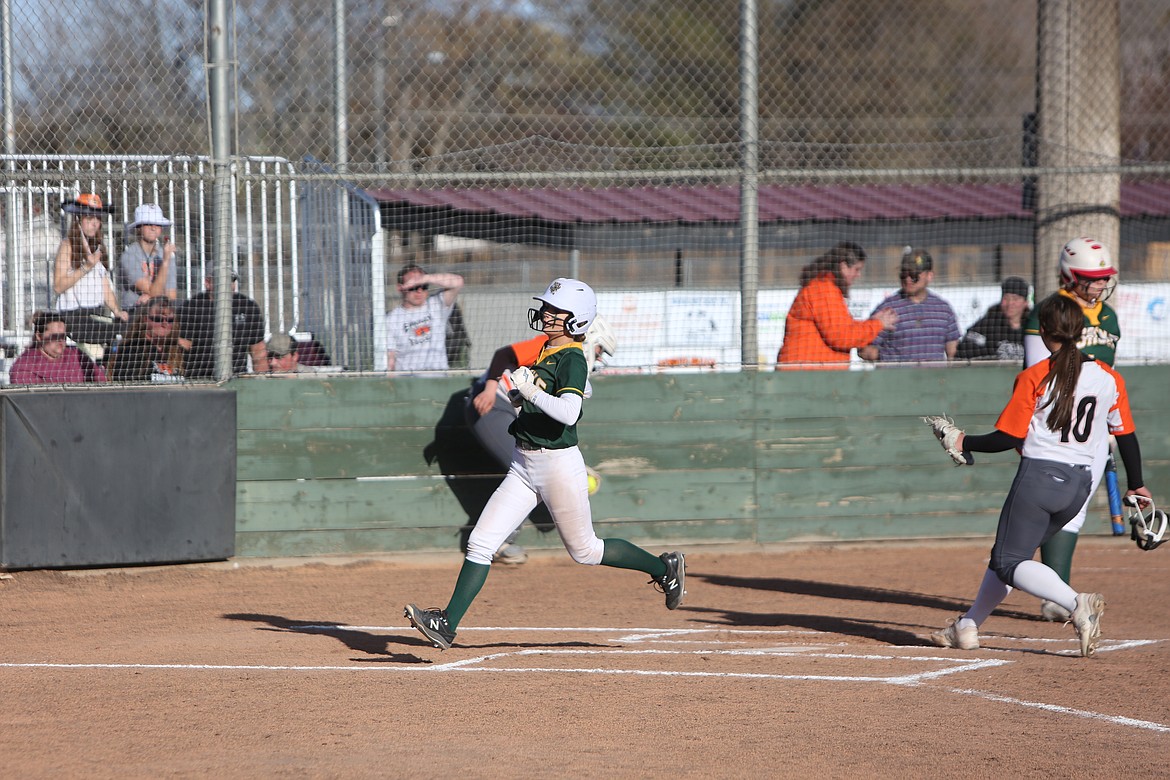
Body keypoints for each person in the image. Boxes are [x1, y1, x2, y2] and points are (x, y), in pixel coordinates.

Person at [404, 278, 685, 650]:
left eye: (556, 311)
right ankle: (446, 624)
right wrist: (522, 398)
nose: (547, 314)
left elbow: (569, 413)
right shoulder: (547, 351)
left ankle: (664, 568)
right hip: (524, 462)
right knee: (481, 542)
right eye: (548, 308)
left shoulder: (572, 357)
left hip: (556, 465)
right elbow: (538, 404)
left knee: (585, 551)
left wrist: (532, 391)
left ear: (577, 320)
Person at [927, 294, 1151, 658]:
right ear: (1081, 332)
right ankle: (967, 626)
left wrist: (963, 440)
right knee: (1010, 556)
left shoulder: (1035, 376)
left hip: (1040, 479)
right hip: (1080, 484)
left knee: (1008, 561)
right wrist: (1137, 483)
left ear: (1044, 333)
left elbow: (1008, 439)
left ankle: (1077, 602)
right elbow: (1125, 435)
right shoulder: (1110, 378)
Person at [1022, 237, 1123, 623]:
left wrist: (1111, 425)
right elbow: (1037, 373)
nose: (1099, 285)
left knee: (1075, 509)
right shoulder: (1050, 312)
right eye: (1090, 278)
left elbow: (1112, 375)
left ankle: (1057, 594)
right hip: (1056, 423)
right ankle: (1052, 588)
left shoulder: (1109, 315)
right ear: (1069, 276)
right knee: (1049, 510)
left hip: (1096, 423)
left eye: (1103, 278)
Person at [465, 314, 618, 564]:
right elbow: (504, 355)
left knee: (529, 469)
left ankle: (497, 541)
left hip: (510, 407)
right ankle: (499, 542)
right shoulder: (549, 345)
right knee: (523, 465)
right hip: (491, 404)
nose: (599, 357)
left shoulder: (571, 359)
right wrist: (491, 387)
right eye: (600, 350)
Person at [776, 241, 897, 369]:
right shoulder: (823, 289)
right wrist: (877, 324)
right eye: (856, 269)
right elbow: (840, 335)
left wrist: (873, 322)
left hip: (812, 373)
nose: (858, 275)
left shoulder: (825, 287)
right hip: (806, 375)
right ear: (844, 267)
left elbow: (842, 328)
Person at [52, 194, 129, 351]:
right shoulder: (68, 246)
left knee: (129, 328)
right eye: (89, 218)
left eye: (98, 218)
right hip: (74, 317)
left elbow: (105, 286)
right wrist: (86, 267)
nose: (95, 223)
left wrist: (117, 311)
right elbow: (58, 287)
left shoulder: (99, 246)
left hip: (96, 314)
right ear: (79, 219)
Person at [859, 247, 960, 363]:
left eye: (914, 275)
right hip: (896, 379)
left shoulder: (943, 310)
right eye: (903, 274)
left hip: (933, 379)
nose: (908, 279)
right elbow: (864, 349)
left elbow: (953, 353)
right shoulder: (887, 309)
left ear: (929, 276)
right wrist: (890, 359)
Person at [178, 271, 268, 378]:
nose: (230, 286)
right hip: (199, 379)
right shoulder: (192, 307)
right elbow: (182, 347)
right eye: (224, 281)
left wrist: (263, 382)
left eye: (232, 281)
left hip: (237, 379)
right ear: (208, 283)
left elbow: (258, 353)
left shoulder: (247, 307)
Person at [384, 263, 464, 372]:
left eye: (424, 286)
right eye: (414, 287)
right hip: (409, 382)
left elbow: (458, 282)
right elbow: (390, 360)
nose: (419, 291)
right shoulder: (391, 320)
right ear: (400, 287)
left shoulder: (436, 305)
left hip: (438, 380)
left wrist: (425, 278)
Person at [8, 311, 107, 385]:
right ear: (39, 336)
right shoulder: (25, 365)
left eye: (63, 336)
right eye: (55, 336)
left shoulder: (76, 355)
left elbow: (101, 381)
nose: (60, 340)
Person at [108, 297, 186, 383]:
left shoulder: (177, 351)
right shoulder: (132, 350)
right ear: (145, 319)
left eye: (170, 320)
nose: (164, 323)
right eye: (158, 319)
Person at [118, 203, 178, 313]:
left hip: (160, 314)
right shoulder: (128, 256)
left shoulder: (166, 254)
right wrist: (165, 263)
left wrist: (151, 298)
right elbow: (153, 293)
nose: (153, 228)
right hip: (134, 314)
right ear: (138, 228)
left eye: (157, 224)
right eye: (148, 223)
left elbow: (171, 296)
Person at [955, 276, 1031, 361]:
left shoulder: (1032, 325)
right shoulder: (988, 324)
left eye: (1015, 299)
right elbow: (964, 351)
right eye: (1006, 298)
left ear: (1025, 302)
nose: (1010, 303)